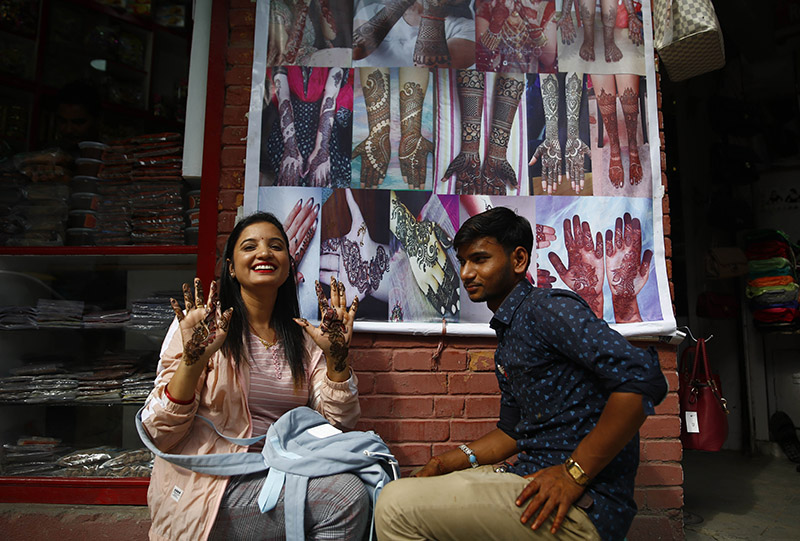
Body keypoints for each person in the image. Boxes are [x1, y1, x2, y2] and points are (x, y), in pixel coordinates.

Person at [375, 206, 667, 541]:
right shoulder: (509, 334)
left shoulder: (547, 308)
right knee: (415, 486)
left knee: (394, 505)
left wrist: (574, 475)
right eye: (463, 261)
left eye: (480, 259)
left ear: (518, 260)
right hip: (531, 478)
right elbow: (511, 433)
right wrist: (444, 463)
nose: (467, 272)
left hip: (582, 507)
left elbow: (641, 376)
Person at [139, 212, 367, 541]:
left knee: (363, 483)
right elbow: (159, 435)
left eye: (276, 246)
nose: (264, 253)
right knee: (344, 496)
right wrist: (194, 361)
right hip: (210, 487)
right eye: (250, 246)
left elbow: (339, 425)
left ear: (289, 265)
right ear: (232, 267)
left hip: (281, 473)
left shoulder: (304, 340)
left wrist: (337, 358)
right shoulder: (204, 330)